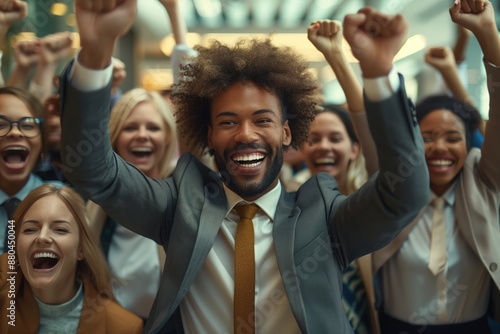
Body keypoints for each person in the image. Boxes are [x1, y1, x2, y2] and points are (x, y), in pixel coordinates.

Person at [60, 1, 428, 333]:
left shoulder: (323, 216)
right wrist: (95, 54)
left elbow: (403, 197)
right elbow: (93, 171)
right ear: (209, 135)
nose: (245, 135)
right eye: (228, 122)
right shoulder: (179, 207)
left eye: (262, 120)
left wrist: (379, 75)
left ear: (286, 133)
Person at [371, 1, 500, 333]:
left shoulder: (483, 183)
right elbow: (368, 125)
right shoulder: (394, 189)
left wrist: (487, 32)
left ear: (469, 143)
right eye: (427, 137)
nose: (440, 147)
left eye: (452, 137)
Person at [0, 184, 143, 333]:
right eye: (30, 229)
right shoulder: (4, 285)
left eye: (60, 229)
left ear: (81, 249)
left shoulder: (124, 328)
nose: (42, 237)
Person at [86, 87, 177, 320]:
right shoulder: (96, 205)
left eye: (153, 127)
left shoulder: (185, 195)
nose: (142, 135)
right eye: (130, 127)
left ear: (168, 137)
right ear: (115, 138)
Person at [0, 86, 63, 253]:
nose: (15, 132)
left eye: (28, 125)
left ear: (42, 143)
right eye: (1, 124)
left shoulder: (63, 201)